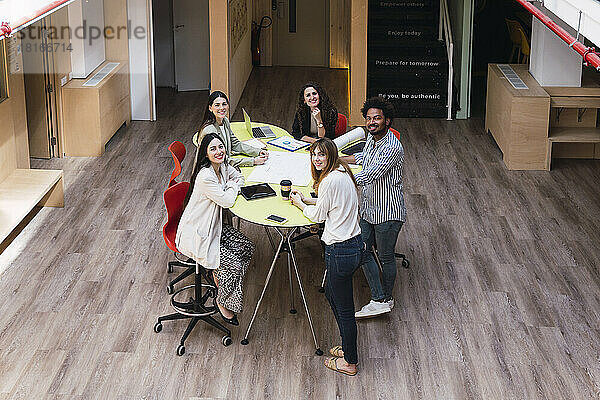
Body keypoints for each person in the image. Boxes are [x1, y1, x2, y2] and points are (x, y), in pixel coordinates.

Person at [290, 138, 362, 376]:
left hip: (339, 250)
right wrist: (307, 200)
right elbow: (329, 205)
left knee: (344, 310)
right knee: (333, 294)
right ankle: (347, 348)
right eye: (314, 154)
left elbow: (318, 216)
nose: (316, 159)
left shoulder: (329, 180)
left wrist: (300, 204)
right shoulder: (342, 172)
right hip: (353, 245)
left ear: (330, 155)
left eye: (321, 154)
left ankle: (350, 362)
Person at [176, 133, 255, 326]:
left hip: (215, 227)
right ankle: (222, 300)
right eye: (213, 149)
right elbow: (228, 200)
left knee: (246, 247)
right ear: (205, 153)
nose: (219, 151)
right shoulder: (205, 176)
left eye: (221, 147)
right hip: (198, 232)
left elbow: (239, 177)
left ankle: (218, 276)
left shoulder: (222, 167)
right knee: (234, 266)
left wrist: (230, 185)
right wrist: (232, 187)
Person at [341, 97, 406, 319]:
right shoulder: (372, 138)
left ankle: (384, 299)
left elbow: (369, 174)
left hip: (387, 213)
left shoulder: (392, 147)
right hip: (369, 209)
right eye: (369, 118)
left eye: (377, 118)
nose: (372, 122)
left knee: (386, 257)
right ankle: (379, 298)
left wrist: (338, 181)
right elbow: (363, 158)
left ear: (387, 120)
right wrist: (340, 160)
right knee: (362, 249)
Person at [198, 91, 269, 168]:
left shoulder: (225, 121)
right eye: (217, 105)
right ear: (210, 108)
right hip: (215, 168)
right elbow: (221, 159)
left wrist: (257, 152)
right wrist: (253, 161)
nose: (221, 108)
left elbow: (235, 144)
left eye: (224, 104)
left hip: (225, 165)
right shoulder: (209, 130)